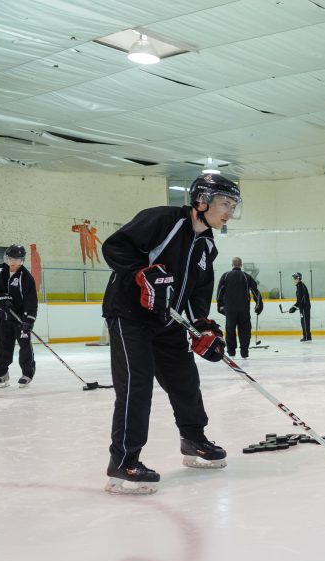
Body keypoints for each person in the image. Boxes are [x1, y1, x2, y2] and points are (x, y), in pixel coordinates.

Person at [100, 174, 238, 494]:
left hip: (167, 321)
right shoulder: (162, 219)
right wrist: (141, 274)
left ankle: (193, 439)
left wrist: (202, 323)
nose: (229, 211)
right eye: (224, 203)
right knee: (137, 385)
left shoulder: (207, 244)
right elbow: (115, 247)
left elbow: (199, 290)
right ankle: (123, 461)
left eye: (233, 205)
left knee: (185, 381)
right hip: (129, 316)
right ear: (202, 201)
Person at [0, 244, 37, 388]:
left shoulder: (27, 277)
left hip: (20, 318)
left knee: (24, 346)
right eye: (10, 258)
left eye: (16, 259)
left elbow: (31, 301)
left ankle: (27, 373)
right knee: (2, 345)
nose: (12, 261)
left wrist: (29, 320)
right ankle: (1, 373)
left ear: (22, 260)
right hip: (3, 317)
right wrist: (1, 297)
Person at [216, 257, 263, 359]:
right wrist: (258, 305)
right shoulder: (246, 276)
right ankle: (244, 353)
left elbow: (219, 291)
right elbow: (255, 291)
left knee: (230, 330)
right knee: (245, 330)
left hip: (230, 309)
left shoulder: (225, 276)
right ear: (241, 265)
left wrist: (220, 306)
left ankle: (231, 352)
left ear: (232, 265)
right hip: (244, 309)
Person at [289, 272, 312, 342]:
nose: (294, 280)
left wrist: (294, 307)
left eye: (295, 278)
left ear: (299, 278)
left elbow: (301, 299)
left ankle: (307, 337)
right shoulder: (299, 286)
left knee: (305, 322)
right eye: (293, 278)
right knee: (304, 322)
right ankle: (307, 336)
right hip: (303, 307)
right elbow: (299, 300)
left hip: (305, 307)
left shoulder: (301, 286)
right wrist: (294, 307)